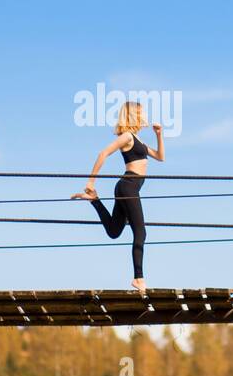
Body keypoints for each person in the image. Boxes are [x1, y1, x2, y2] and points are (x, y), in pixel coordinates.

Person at [71, 102, 165, 292]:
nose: (143, 118)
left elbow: (160, 156)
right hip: (128, 186)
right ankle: (139, 278)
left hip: (128, 188)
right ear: (132, 116)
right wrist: (91, 181)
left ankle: (95, 201)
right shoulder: (127, 137)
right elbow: (103, 152)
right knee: (141, 232)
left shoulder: (138, 140)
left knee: (114, 231)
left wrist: (159, 135)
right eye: (140, 114)